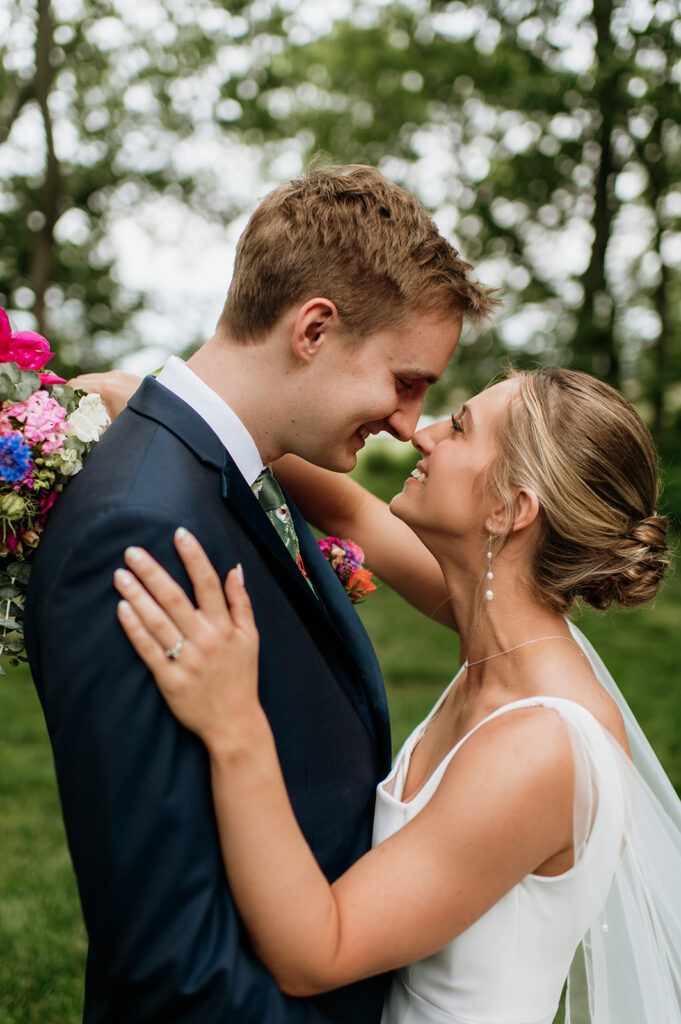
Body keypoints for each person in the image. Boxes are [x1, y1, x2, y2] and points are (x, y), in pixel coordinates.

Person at [24, 165, 496, 1023]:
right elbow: (168, 960)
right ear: (313, 329)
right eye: (404, 379)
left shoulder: (243, 469)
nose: (406, 420)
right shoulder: (139, 527)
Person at [111, 368, 681, 1024]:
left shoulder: (537, 750)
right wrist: (164, 404)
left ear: (509, 511)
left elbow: (317, 950)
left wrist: (234, 723)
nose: (423, 433)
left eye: (460, 427)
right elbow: (350, 509)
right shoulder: (504, 632)